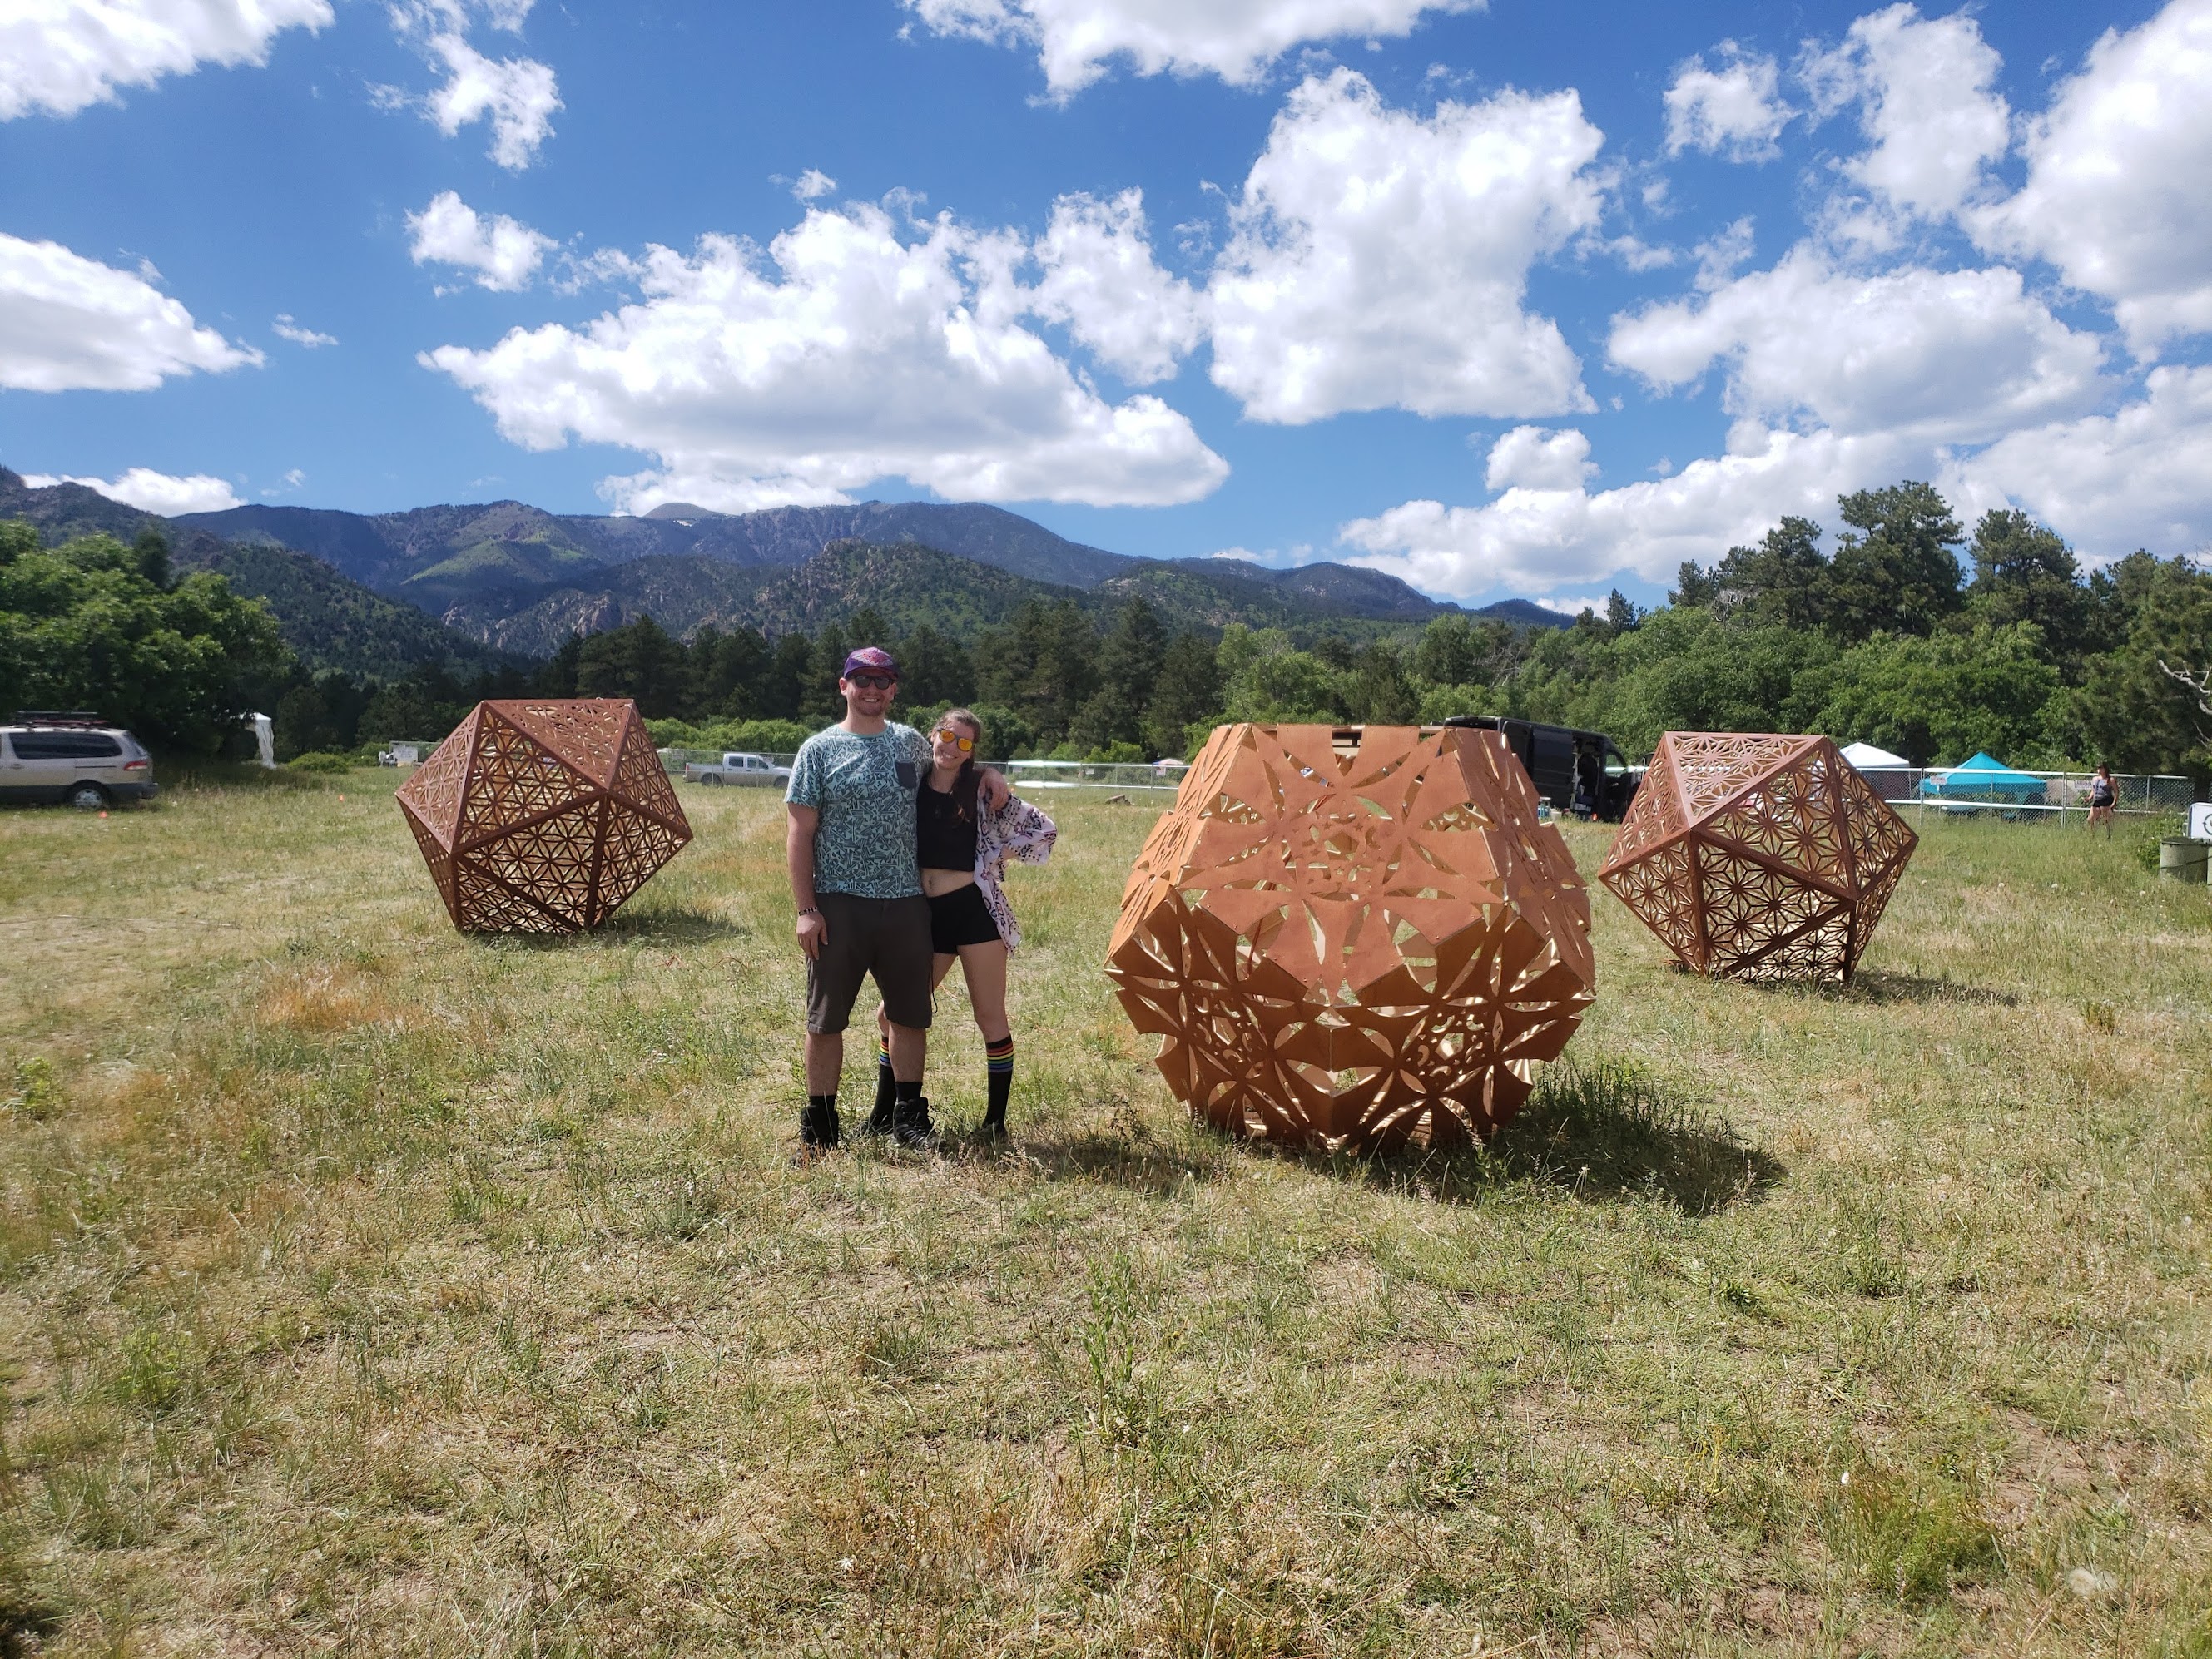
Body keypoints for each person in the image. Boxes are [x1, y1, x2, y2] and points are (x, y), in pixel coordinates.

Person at [784, 646, 939, 1155]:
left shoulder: (912, 746)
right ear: (843, 685)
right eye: (862, 678)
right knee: (825, 1019)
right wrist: (807, 910)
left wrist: (991, 777)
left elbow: (952, 782)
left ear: (893, 689)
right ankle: (821, 1124)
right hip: (838, 904)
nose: (872, 688)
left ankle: (908, 1119)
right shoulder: (819, 751)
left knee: (910, 1015)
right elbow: (800, 833)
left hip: (906, 903)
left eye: (883, 679)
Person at [874, 709, 1054, 1140]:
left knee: (989, 1015)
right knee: (892, 1015)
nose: (952, 748)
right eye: (947, 736)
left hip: (975, 913)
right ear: (932, 734)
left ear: (974, 752)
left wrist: (993, 854)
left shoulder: (980, 788)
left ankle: (995, 1124)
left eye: (966, 744)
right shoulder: (911, 783)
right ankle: (885, 1113)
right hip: (925, 916)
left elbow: (1043, 831)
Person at [2086, 762, 2116, 837]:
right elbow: (2093, 790)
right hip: (2097, 799)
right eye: (2098, 768)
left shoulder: (2110, 780)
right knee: (2090, 819)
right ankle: (2092, 835)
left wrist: (2114, 803)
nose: (2099, 770)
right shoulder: (2095, 779)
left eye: (2101, 768)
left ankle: (2108, 835)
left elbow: (2116, 792)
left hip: (2106, 800)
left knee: (2105, 820)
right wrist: (2089, 798)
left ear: (2105, 769)